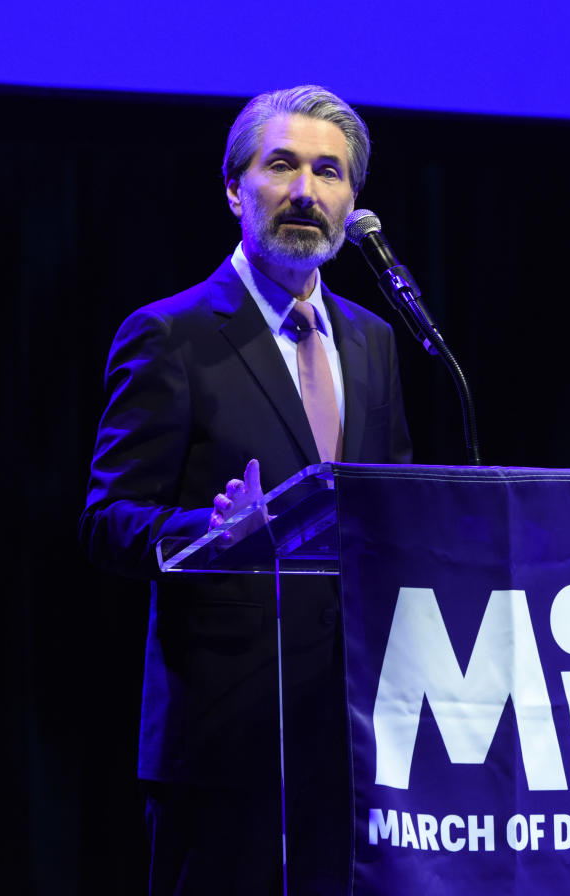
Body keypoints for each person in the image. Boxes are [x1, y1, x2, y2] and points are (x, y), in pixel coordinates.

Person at [79, 85, 412, 894]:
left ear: (352, 199)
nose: (306, 190)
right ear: (235, 188)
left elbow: (391, 505)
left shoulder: (373, 341)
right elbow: (107, 520)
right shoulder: (171, 334)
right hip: (224, 740)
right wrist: (207, 534)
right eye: (283, 165)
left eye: (329, 172)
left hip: (354, 737)